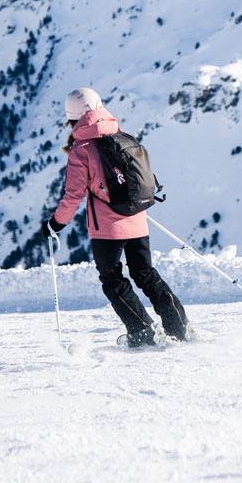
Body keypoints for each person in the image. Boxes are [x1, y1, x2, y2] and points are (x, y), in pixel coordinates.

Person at [42, 86, 190, 347]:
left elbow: (74, 195)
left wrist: (56, 223)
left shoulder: (82, 150)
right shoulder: (123, 136)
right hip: (137, 218)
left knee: (112, 280)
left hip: (107, 229)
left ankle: (142, 332)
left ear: (72, 117)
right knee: (145, 273)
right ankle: (179, 326)